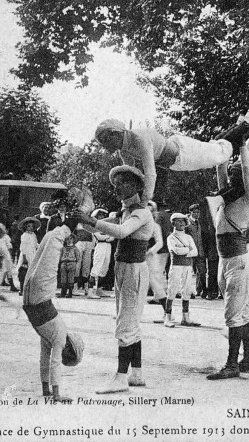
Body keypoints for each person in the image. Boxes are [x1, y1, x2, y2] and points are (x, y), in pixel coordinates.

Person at [74, 165, 154, 394]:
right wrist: (82, 218)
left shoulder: (141, 212)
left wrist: (91, 220)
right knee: (130, 323)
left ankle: (120, 378)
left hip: (134, 270)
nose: (117, 187)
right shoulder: (126, 211)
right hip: (124, 268)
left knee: (125, 325)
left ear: (137, 186)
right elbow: (99, 225)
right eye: (115, 184)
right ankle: (136, 374)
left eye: (123, 183)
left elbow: (120, 232)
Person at [94, 116, 249, 206]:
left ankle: (247, 124)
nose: (105, 146)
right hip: (175, 161)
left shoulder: (139, 138)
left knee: (219, 154)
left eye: (105, 140)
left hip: (182, 153)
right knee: (214, 150)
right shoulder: (124, 149)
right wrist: (129, 201)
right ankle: (239, 125)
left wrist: (145, 200)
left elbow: (150, 172)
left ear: (115, 133)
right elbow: (131, 176)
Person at [207, 135, 249, 380]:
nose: (232, 177)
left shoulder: (247, 201)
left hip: (237, 261)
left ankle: (232, 364)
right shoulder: (224, 201)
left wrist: (241, 144)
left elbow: (248, 170)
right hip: (225, 260)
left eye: (237, 175)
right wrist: (222, 146)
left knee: (233, 314)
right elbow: (220, 168)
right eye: (232, 174)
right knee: (242, 313)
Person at [21, 218, 84, 402]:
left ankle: (69, 221)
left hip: (38, 295)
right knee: (51, 240)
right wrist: (54, 394)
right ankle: (73, 218)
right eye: (67, 357)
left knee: (50, 244)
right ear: (69, 349)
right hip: (32, 299)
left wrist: (45, 390)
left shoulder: (51, 338)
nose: (62, 357)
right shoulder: (59, 338)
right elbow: (52, 363)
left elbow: (44, 361)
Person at [164, 213, 200, 328]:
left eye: (183, 221)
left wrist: (185, 251)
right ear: (173, 222)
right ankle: (167, 317)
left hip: (188, 266)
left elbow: (195, 252)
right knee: (172, 289)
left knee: (187, 290)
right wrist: (188, 250)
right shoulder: (171, 237)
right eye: (178, 221)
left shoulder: (188, 237)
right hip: (176, 266)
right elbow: (175, 251)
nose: (181, 223)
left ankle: (185, 317)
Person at [87, 209, 114, 299]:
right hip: (100, 246)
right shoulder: (94, 226)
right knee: (97, 267)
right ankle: (91, 291)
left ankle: (99, 290)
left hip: (108, 246)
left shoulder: (106, 226)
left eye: (103, 215)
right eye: (100, 215)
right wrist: (107, 237)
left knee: (104, 268)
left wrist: (108, 237)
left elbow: (112, 237)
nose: (102, 217)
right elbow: (99, 237)